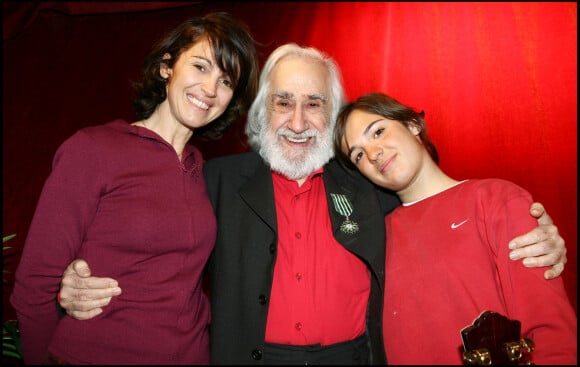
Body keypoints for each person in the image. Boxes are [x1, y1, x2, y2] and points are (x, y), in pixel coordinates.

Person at [57, 44, 568, 365]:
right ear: (262, 113)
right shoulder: (211, 179)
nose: (298, 120)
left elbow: (442, 214)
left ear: (332, 113)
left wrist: (535, 233)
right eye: (283, 102)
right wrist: (78, 280)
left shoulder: (371, 180)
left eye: (314, 103)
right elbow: (154, 246)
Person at [9, 12, 259, 365]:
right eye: (201, 67)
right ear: (166, 67)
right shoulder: (94, 149)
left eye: (226, 81)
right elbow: (35, 284)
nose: (209, 89)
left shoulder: (203, 170)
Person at [333, 91, 577, 364]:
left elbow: (552, 332)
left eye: (378, 132)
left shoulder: (497, 200)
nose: (373, 154)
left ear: (413, 124)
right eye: (358, 155)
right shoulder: (373, 240)